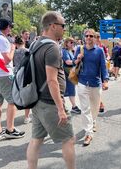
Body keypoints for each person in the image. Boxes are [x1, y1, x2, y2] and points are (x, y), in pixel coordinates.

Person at [26, 11, 75, 169]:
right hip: (51, 103)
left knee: (36, 140)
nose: (64, 29)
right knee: (68, 139)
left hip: (37, 100)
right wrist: (61, 108)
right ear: (53, 26)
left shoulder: (35, 44)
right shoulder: (52, 48)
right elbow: (52, 79)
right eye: (63, 26)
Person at [0, 19, 25, 140]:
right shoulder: (2, 40)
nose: (11, 29)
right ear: (7, 27)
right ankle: (10, 129)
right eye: (10, 27)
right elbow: (6, 60)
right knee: (12, 101)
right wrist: (12, 49)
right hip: (4, 74)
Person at [74, 29, 109, 146]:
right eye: (87, 36)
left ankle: (93, 121)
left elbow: (103, 67)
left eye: (91, 36)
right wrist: (78, 59)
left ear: (95, 38)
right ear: (84, 37)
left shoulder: (99, 51)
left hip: (95, 83)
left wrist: (105, 81)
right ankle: (88, 133)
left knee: (94, 108)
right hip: (82, 82)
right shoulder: (79, 49)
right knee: (85, 109)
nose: (88, 38)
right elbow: (75, 63)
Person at [13, 35, 31, 123]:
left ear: (15, 43)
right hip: (26, 74)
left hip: (16, 73)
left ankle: (12, 114)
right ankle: (27, 117)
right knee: (27, 95)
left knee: (17, 94)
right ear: (24, 42)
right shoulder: (28, 51)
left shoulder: (14, 52)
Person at [62, 37, 81, 114]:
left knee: (70, 90)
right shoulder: (64, 51)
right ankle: (71, 106)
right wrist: (76, 61)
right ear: (66, 43)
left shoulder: (70, 51)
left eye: (73, 42)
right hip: (67, 73)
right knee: (65, 90)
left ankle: (72, 106)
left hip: (70, 73)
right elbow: (68, 62)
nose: (73, 44)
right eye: (71, 42)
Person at [94, 32, 110, 113]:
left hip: (101, 69)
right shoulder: (91, 46)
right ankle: (100, 103)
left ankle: (100, 103)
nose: (97, 39)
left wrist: (106, 58)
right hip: (94, 70)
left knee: (98, 88)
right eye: (96, 37)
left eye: (98, 37)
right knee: (97, 89)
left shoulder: (102, 46)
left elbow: (107, 55)